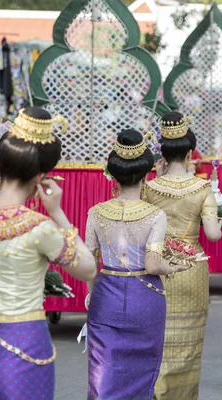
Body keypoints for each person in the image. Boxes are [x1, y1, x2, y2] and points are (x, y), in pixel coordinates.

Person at [0, 107, 97, 399]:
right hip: (23, 340)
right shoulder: (38, 228)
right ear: (40, 177)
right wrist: (57, 212)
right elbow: (88, 269)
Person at [85, 129, 191, 400]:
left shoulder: (96, 212)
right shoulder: (155, 215)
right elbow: (153, 265)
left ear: (113, 174)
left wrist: (90, 291)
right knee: (141, 371)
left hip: (105, 294)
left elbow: (88, 261)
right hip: (145, 297)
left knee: (102, 369)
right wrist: (174, 267)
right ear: (147, 175)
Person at [142, 112, 222, 400]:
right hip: (191, 267)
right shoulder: (202, 188)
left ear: (162, 154)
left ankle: (156, 390)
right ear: (190, 153)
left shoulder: (149, 188)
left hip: (157, 265)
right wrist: (217, 222)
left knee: (157, 335)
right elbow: (213, 235)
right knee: (189, 337)